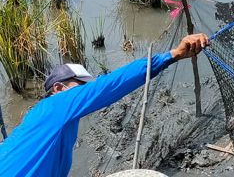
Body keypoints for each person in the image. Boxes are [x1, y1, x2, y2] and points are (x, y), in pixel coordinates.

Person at [0, 33, 210, 177]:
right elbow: (111, 85)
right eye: (81, 86)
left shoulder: (41, 120)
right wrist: (172, 55)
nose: (86, 92)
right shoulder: (57, 105)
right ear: (58, 88)